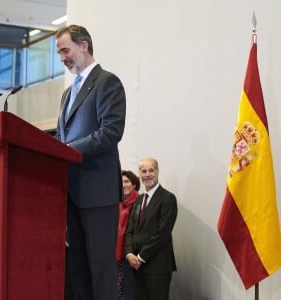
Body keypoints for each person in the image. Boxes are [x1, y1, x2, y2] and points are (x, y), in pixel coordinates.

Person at [54, 25, 126, 300]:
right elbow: (59, 137)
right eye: (60, 52)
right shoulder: (66, 94)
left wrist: (68, 150)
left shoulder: (108, 82)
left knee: (100, 270)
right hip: (71, 192)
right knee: (77, 270)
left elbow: (111, 131)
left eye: (65, 50)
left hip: (97, 194)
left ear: (84, 46)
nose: (62, 58)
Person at [125, 158, 177, 300]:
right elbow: (130, 230)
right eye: (143, 171)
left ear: (157, 172)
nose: (147, 174)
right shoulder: (138, 200)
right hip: (137, 267)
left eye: (151, 170)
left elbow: (163, 234)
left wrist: (141, 257)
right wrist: (129, 254)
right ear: (140, 174)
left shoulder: (168, 198)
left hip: (158, 267)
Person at [117, 170, 140, 300]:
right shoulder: (117, 204)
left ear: (134, 184)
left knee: (131, 292)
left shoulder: (140, 203)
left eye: (126, 181)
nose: (124, 185)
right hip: (118, 257)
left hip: (134, 257)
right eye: (121, 182)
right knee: (119, 292)